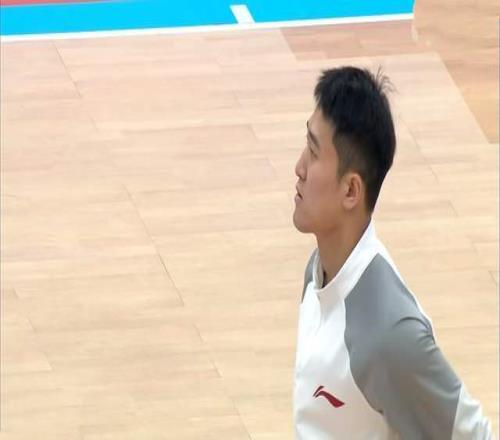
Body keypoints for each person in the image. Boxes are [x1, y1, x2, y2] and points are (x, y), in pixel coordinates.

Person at [292, 66, 493, 439]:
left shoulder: (388, 335)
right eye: (306, 143)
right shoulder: (318, 271)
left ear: (351, 191)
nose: (299, 167)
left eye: (314, 153)